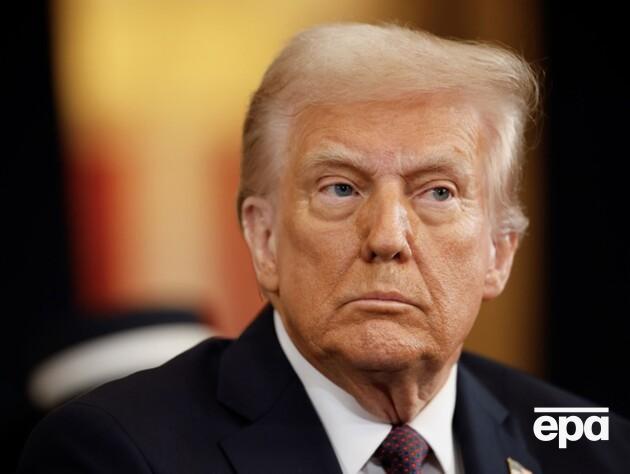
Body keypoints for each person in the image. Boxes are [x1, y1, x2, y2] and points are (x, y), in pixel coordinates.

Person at [18, 23, 630, 474]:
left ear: (499, 252)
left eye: (438, 192)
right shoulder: (117, 451)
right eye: (341, 188)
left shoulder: (597, 449)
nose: (387, 237)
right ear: (264, 239)